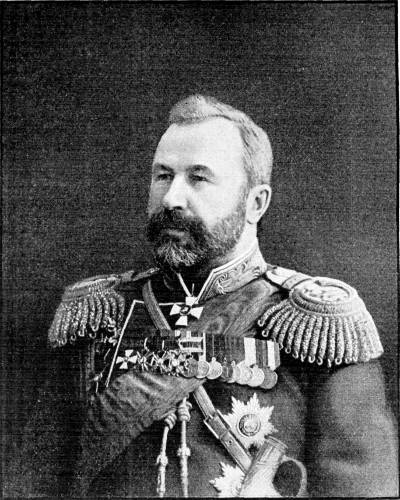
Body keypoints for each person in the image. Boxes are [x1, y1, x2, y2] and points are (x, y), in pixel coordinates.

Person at [7, 95, 397, 497]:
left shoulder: (317, 324)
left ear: (256, 203)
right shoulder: (100, 313)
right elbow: (33, 484)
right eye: (163, 176)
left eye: (198, 178)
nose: (172, 198)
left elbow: (365, 489)